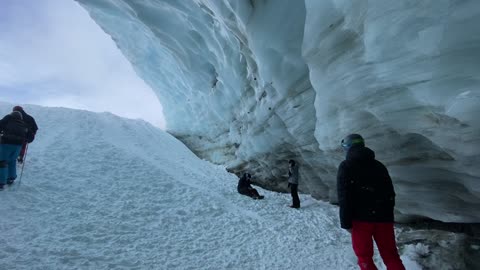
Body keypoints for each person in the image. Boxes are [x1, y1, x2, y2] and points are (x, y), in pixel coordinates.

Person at [337, 134, 405, 270]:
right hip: (383, 218)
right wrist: (387, 216)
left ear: (347, 148)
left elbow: (344, 197)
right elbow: (390, 193)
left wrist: (346, 223)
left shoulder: (346, 166)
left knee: (364, 257)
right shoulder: (379, 165)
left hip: (360, 220)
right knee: (391, 255)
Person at [0, 110, 27, 189]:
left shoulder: (8, 121)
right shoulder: (23, 125)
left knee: (2, 162)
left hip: (6, 144)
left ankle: (1, 182)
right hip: (18, 146)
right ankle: (11, 178)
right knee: (12, 161)